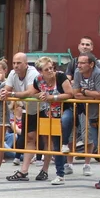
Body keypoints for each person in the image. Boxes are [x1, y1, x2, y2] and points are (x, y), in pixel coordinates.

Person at [0, 52, 40, 181]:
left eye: (19, 63)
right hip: (29, 109)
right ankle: (24, 171)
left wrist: (12, 94)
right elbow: (7, 89)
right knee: (29, 138)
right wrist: (4, 92)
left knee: (48, 141)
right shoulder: (12, 73)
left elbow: (30, 92)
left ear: (26, 64)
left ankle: (51, 171)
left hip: (45, 108)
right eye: (14, 63)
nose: (16, 66)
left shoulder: (32, 73)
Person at [70, 52, 100, 182]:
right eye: (78, 62)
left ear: (91, 64)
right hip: (91, 114)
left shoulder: (98, 74)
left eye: (82, 63)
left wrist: (85, 92)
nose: (79, 65)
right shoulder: (77, 73)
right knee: (99, 147)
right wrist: (93, 96)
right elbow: (75, 94)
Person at [32, 57, 72, 185]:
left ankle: (65, 143)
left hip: (66, 109)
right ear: (40, 71)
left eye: (51, 68)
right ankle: (60, 175)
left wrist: (52, 97)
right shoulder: (38, 80)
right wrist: (40, 95)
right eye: (46, 69)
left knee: (64, 123)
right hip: (51, 113)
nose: (50, 71)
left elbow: (70, 94)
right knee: (55, 144)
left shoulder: (60, 76)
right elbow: (33, 93)